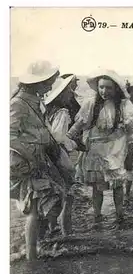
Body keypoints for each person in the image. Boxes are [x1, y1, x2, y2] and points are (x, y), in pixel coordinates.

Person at [11, 60, 74, 260]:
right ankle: (31, 257)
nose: (50, 85)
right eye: (48, 81)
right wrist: (29, 154)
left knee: (47, 202)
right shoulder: (18, 103)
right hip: (26, 164)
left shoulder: (34, 100)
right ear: (37, 82)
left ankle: (37, 247)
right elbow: (9, 135)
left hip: (39, 161)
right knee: (35, 209)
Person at [67, 70, 133, 224]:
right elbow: (78, 125)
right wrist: (66, 140)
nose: (104, 91)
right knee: (97, 187)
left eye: (108, 88)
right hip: (96, 150)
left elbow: (132, 132)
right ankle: (97, 215)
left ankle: (120, 215)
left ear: (116, 89)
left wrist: (130, 155)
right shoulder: (91, 103)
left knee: (118, 185)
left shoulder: (124, 105)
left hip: (116, 149)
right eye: (101, 87)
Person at [42, 74, 85, 236]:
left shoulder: (48, 111)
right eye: (68, 92)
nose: (71, 94)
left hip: (49, 160)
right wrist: (75, 143)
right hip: (61, 158)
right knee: (68, 198)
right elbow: (59, 139)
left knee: (55, 198)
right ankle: (68, 234)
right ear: (61, 95)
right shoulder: (63, 112)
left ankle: (52, 230)